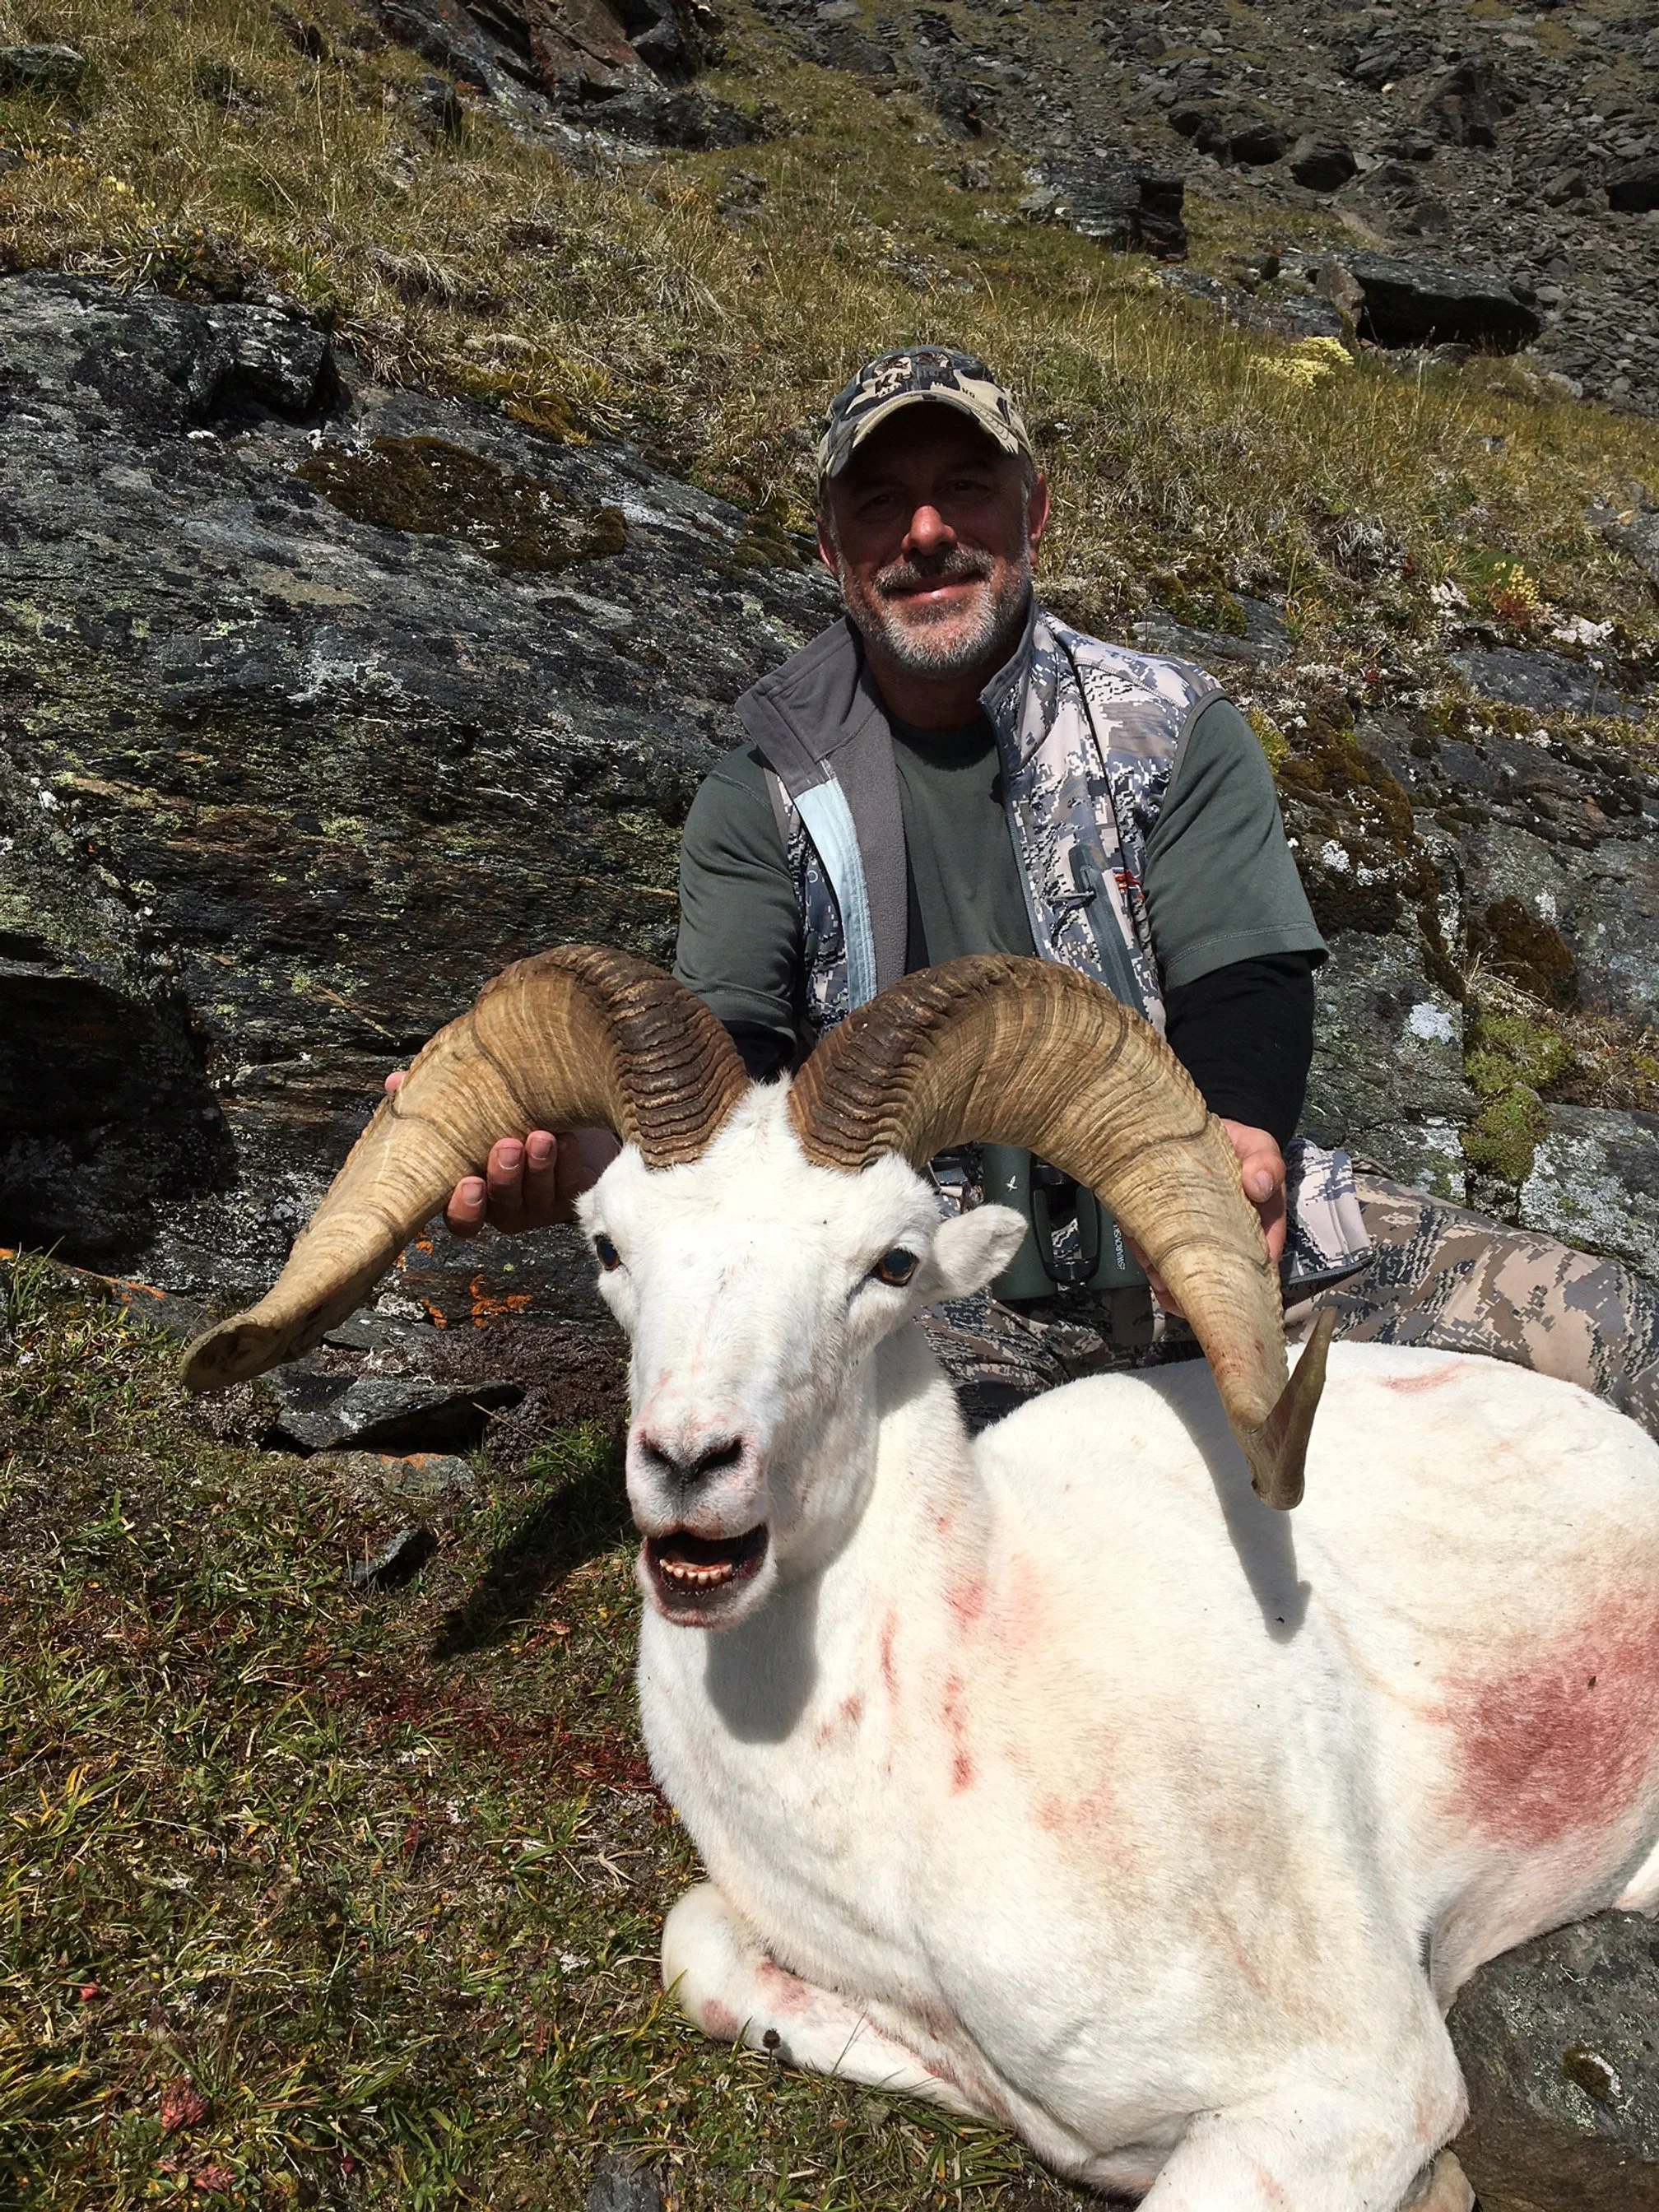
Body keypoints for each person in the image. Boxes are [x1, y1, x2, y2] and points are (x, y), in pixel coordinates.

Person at [400, 347, 1659, 1440]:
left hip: (1193, 1213)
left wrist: (1240, 1150)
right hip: (929, 1279)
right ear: (835, 549)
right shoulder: (766, 787)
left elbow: (1246, 978)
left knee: (1616, 1334)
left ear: (1033, 511)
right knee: (936, 1521)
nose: (927, 532)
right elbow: (734, 1071)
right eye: (881, 504)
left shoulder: (1170, 726)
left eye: (966, 491)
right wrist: (587, 1160)